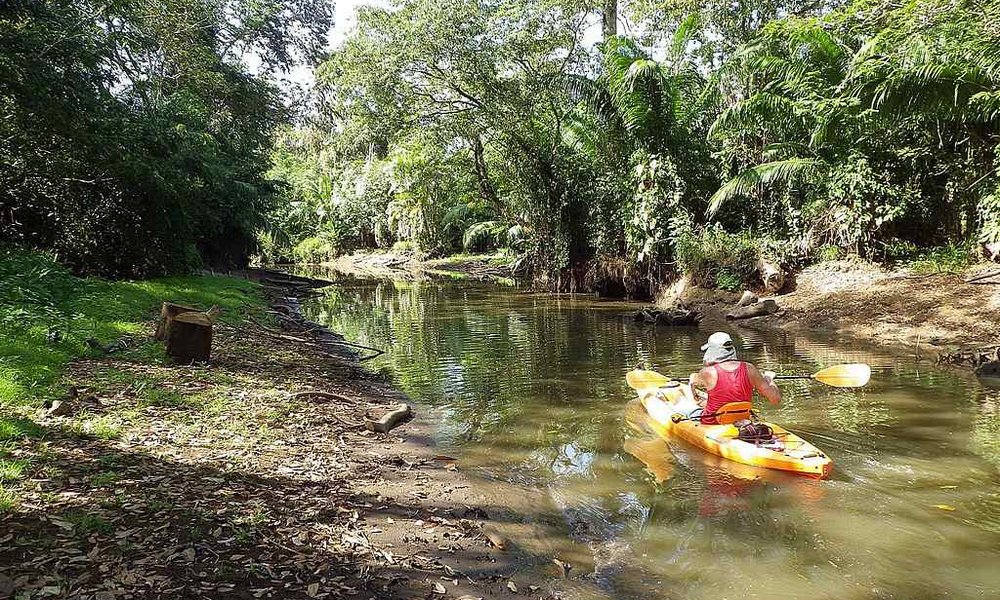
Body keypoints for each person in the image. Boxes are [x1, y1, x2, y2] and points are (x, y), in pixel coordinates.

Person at [688, 332, 780, 424]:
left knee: (682, 408)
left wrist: (693, 378)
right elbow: (775, 399)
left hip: (713, 422)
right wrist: (769, 379)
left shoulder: (707, 372)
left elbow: (694, 381)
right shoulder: (750, 368)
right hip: (742, 419)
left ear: (712, 351)